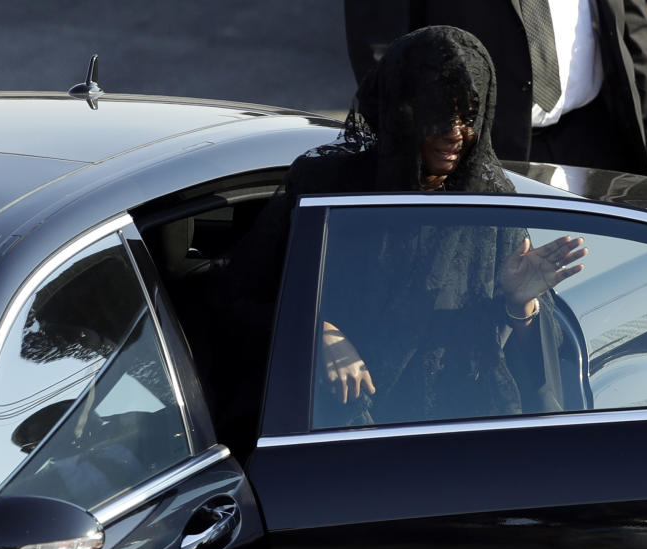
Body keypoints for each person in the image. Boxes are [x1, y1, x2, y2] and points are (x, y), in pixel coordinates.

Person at [199, 26, 586, 441]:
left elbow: (530, 374)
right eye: (439, 115)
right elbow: (238, 300)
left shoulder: (489, 204)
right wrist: (317, 333)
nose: (455, 132)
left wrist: (520, 303)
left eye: (468, 115)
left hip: (459, 440)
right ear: (404, 112)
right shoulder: (330, 189)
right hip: (330, 440)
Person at [345, 0, 647, 179]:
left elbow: (631, 21)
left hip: (594, 137)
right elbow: (382, 43)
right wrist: (420, 138)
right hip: (476, 151)